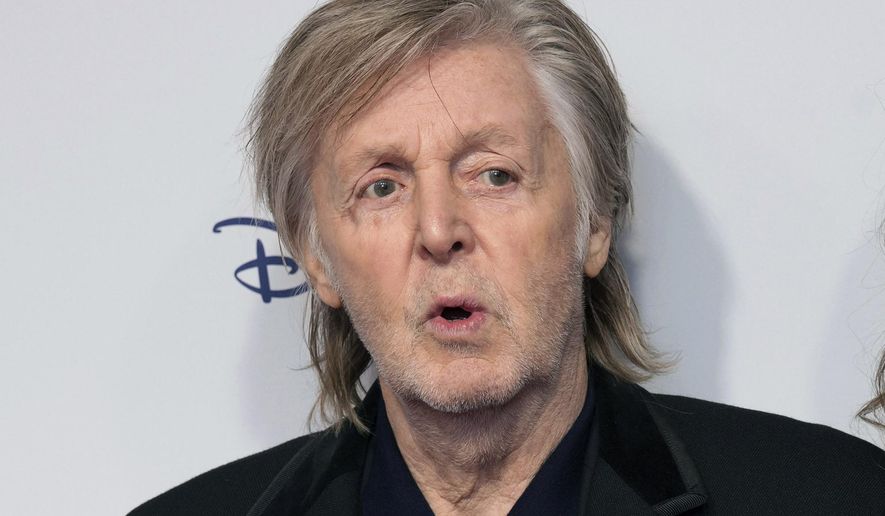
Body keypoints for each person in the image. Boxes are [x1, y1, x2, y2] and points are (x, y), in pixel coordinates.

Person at [130, 1, 885, 514]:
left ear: (594, 221)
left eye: (493, 174)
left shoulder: (834, 497)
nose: (438, 230)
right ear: (316, 258)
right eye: (382, 186)